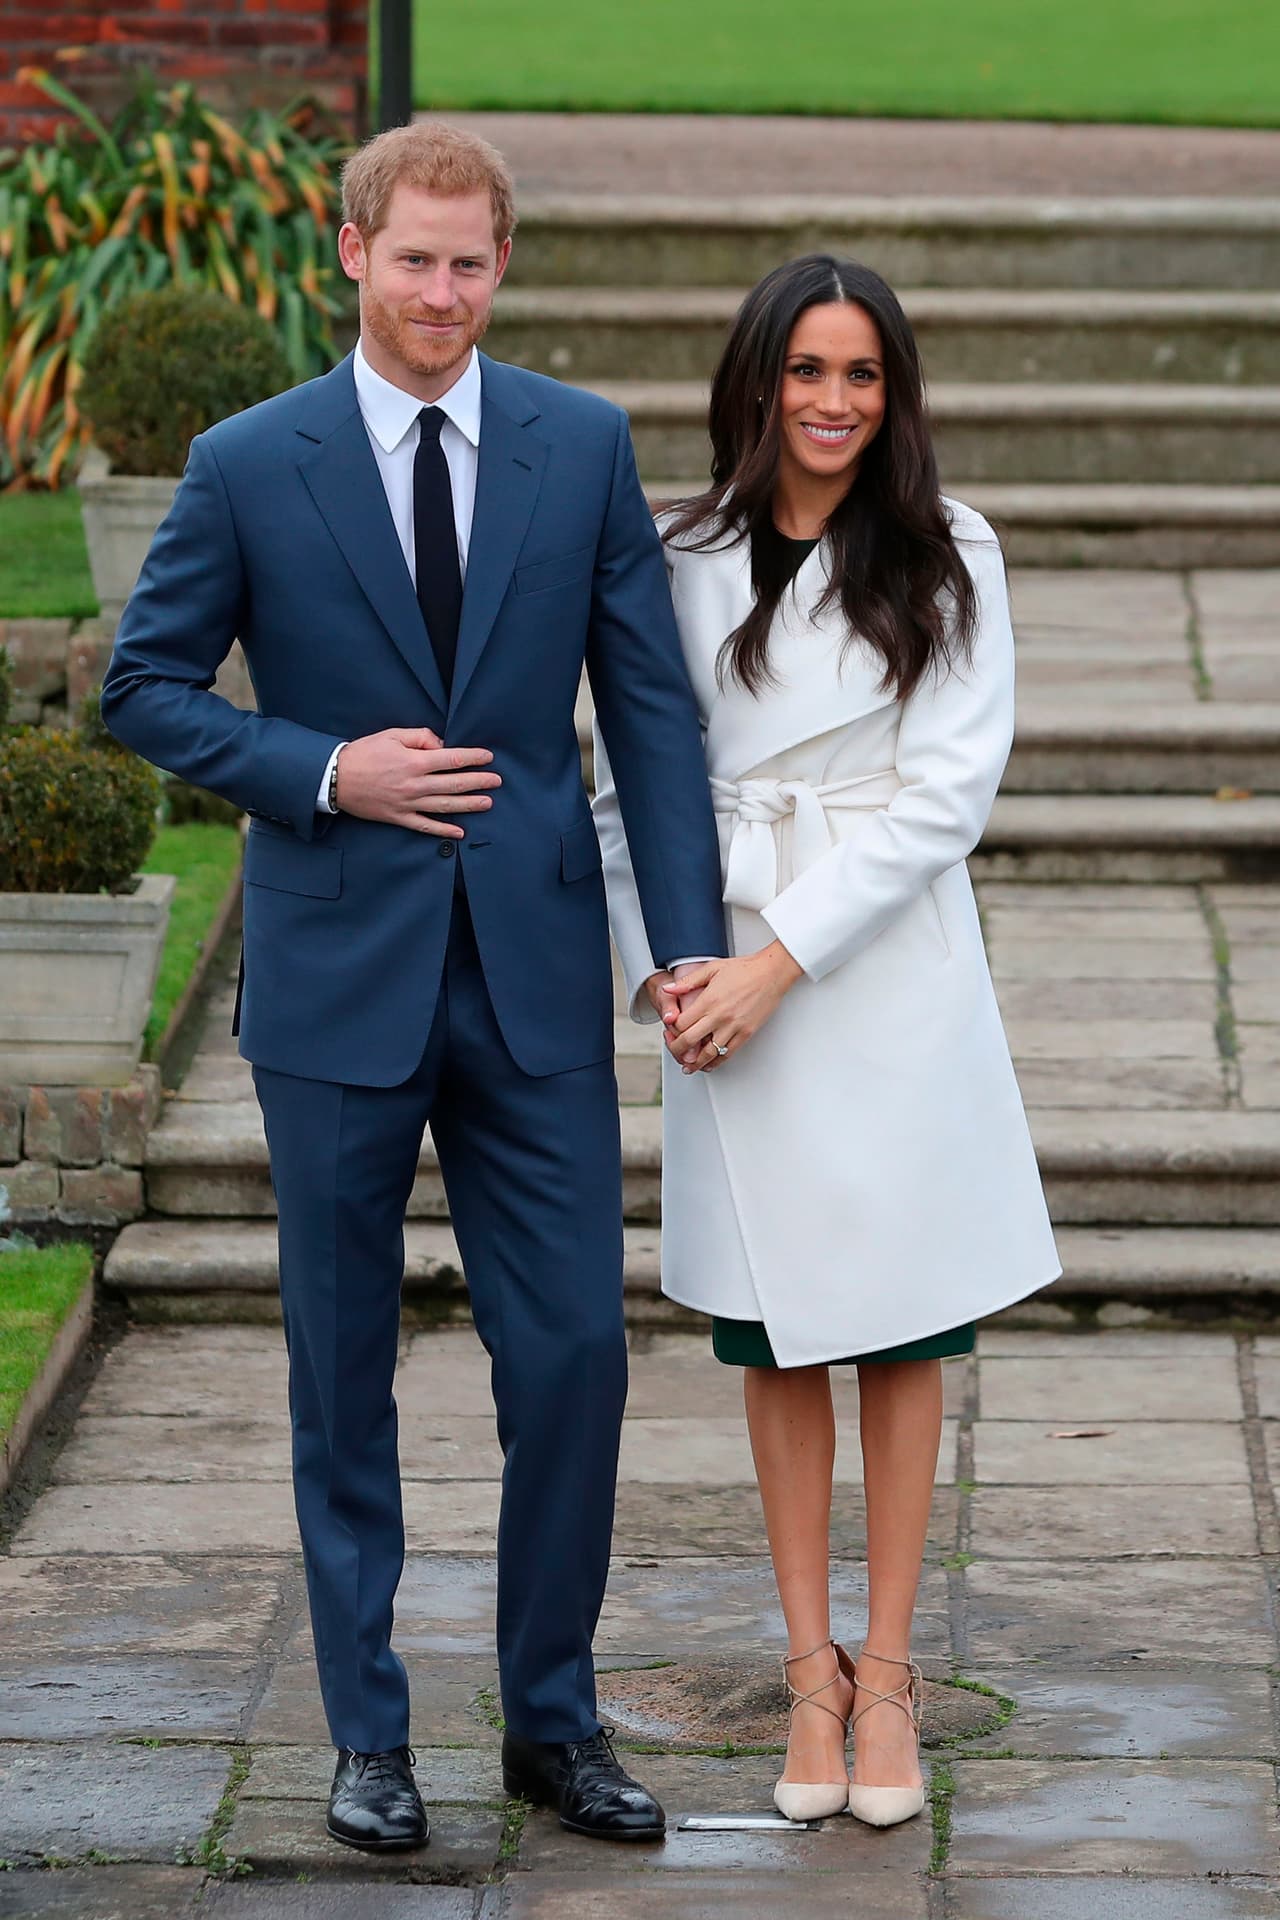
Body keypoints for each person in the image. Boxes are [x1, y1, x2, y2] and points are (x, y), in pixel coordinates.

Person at [101, 121, 727, 1851]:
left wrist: (681, 939)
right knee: (338, 1367)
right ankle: (367, 1733)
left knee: (578, 1362)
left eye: (471, 263)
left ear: (500, 269)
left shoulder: (580, 446)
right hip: (334, 981)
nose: (441, 292)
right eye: (414, 258)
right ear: (351, 253)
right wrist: (322, 770)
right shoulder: (248, 460)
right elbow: (145, 688)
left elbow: (650, 715)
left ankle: (552, 1720)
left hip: (530, 978)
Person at [593, 255, 1060, 1829]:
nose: (835, 402)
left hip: (878, 973)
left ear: (896, 389)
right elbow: (630, 769)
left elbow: (946, 795)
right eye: (807, 371)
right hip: (718, 965)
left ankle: (896, 1672)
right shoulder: (684, 552)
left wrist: (778, 964)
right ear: (757, 380)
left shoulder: (951, 549)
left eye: (862, 374)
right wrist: (670, 964)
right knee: (772, 1330)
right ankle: (808, 1670)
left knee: (905, 1325)